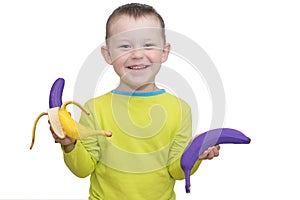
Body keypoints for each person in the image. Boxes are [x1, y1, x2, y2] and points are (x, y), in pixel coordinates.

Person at [51, 3, 220, 200]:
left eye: (148, 45)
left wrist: (195, 154)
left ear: (164, 52)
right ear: (108, 54)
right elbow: (83, 169)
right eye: (125, 46)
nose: (137, 54)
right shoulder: (94, 108)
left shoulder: (180, 109)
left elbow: (177, 172)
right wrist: (70, 144)